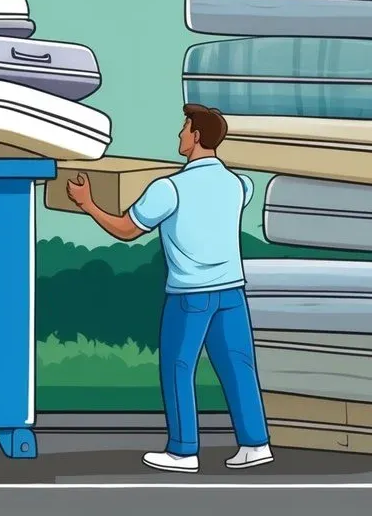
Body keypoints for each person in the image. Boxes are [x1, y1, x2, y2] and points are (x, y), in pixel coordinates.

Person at [65, 103, 273, 473]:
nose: (179, 135)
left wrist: (88, 205)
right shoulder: (239, 185)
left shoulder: (169, 189)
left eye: (183, 128)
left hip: (190, 293)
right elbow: (236, 193)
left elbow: (127, 230)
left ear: (195, 137)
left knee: (178, 367)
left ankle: (183, 450)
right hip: (231, 292)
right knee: (239, 366)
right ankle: (255, 443)